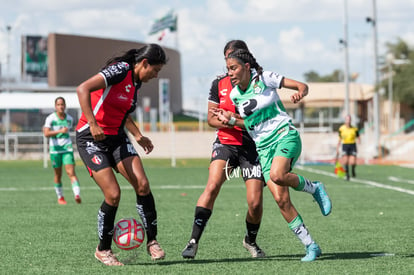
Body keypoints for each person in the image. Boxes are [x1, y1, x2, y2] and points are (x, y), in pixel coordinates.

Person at [210, 48, 332, 261]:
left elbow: (303, 86)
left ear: (247, 67)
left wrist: (300, 93)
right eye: (228, 69)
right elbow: (250, 123)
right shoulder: (235, 95)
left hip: (284, 136)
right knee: (281, 199)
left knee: (277, 175)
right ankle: (311, 246)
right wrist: (229, 119)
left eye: (234, 68)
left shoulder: (265, 78)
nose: (230, 73)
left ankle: (315, 188)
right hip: (264, 149)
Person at [75, 44, 167, 266]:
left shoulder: (135, 83)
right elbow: (82, 89)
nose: (155, 76)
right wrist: (93, 123)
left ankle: (152, 241)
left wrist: (138, 136)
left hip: (117, 138)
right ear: (144, 63)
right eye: (155, 70)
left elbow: (122, 113)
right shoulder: (120, 70)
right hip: (91, 138)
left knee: (142, 185)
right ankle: (103, 249)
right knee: (113, 194)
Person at [182, 40, 266, 259]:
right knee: (212, 186)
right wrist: (228, 122)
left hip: (252, 147)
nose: (230, 65)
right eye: (227, 59)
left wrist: (232, 119)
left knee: (255, 203)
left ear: (245, 59)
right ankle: (193, 241)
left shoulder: (260, 84)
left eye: (234, 59)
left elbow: (260, 119)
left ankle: (250, 241)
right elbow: (211, 118)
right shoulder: (218, 84)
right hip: (226, 144)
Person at [43, 97, 81, 205]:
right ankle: (60, 197)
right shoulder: (50, 118)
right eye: (58, 105)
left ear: (65, 106)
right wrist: (60, 131)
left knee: (71, 172)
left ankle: (77, 195)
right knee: (58, 175)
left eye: (62, 104)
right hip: (55, 150)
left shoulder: (69, 119)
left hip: (67, 149)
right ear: (55, 106)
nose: (61, 106)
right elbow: (46, 134)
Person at [337, 114, 360, 181]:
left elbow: (358, 136)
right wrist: (337, 148)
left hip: (353, 145)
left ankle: (353, 170)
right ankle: (347, 175)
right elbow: (339, 138)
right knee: (346, 161)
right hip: (345, 145)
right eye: (347, 119)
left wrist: (359, 141)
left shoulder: (354, 129)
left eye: (349, 119)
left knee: (352, 162)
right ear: (345, 120)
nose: (348, 121)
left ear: (351, 120)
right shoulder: (341, 128)